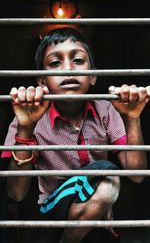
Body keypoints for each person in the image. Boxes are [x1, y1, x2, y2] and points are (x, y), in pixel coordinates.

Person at [1, 27, 150, 243]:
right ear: (42, 81)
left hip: (98, 216)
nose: (67, 70)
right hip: (53, 213)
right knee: (107, 177)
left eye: (78, 60)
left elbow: (137, 175)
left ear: (92, 76)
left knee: (105, 180)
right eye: (55, 63)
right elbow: (16, 193)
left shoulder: (106, 110)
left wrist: (132, 118)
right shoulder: (30, 116)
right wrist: (26, 127)